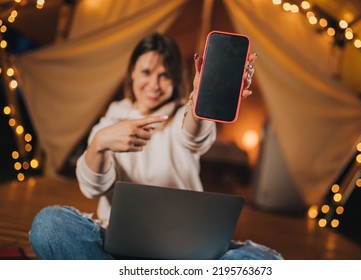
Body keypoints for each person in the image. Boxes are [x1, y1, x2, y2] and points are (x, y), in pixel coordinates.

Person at [29, 32, 283, 260]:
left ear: (175, 80)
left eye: (165, 75)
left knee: (264, 261)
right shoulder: (110, 122)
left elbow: (192, 136)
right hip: (116, 244)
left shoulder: (182, 115)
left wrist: (201, 99)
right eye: (146, 72)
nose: (154, 84)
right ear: (131, 73)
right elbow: (92, 188)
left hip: (185, 248)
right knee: (49, 226)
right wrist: (100, 143)